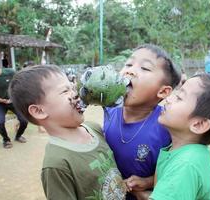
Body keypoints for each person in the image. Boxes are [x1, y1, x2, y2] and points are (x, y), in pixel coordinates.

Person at [8, 65, 126, 200]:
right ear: (39, 111)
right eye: (65, 91)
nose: (77, 94)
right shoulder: (56, 164)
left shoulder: (94, 128)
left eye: (73, 87)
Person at [147, 74, 210, 200]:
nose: (169, 99)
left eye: (179, 97)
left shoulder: (185, 165)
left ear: (198, 124)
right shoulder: (192, 154)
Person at [103, 44, 180, 199]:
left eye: (145, 68)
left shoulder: (167, 126)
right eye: (128, 64)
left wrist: (148, 182)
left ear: (163, 91)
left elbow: (173, 173)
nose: (130, 70)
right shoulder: (109, 109)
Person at [0, 55, 28, 148]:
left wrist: (14, 95)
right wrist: (0, 100)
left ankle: (18, 136)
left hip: (13, 101)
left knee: (24, 120)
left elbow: (19, 84)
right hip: (0, 104)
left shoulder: (10, 72)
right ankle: (6, 140)